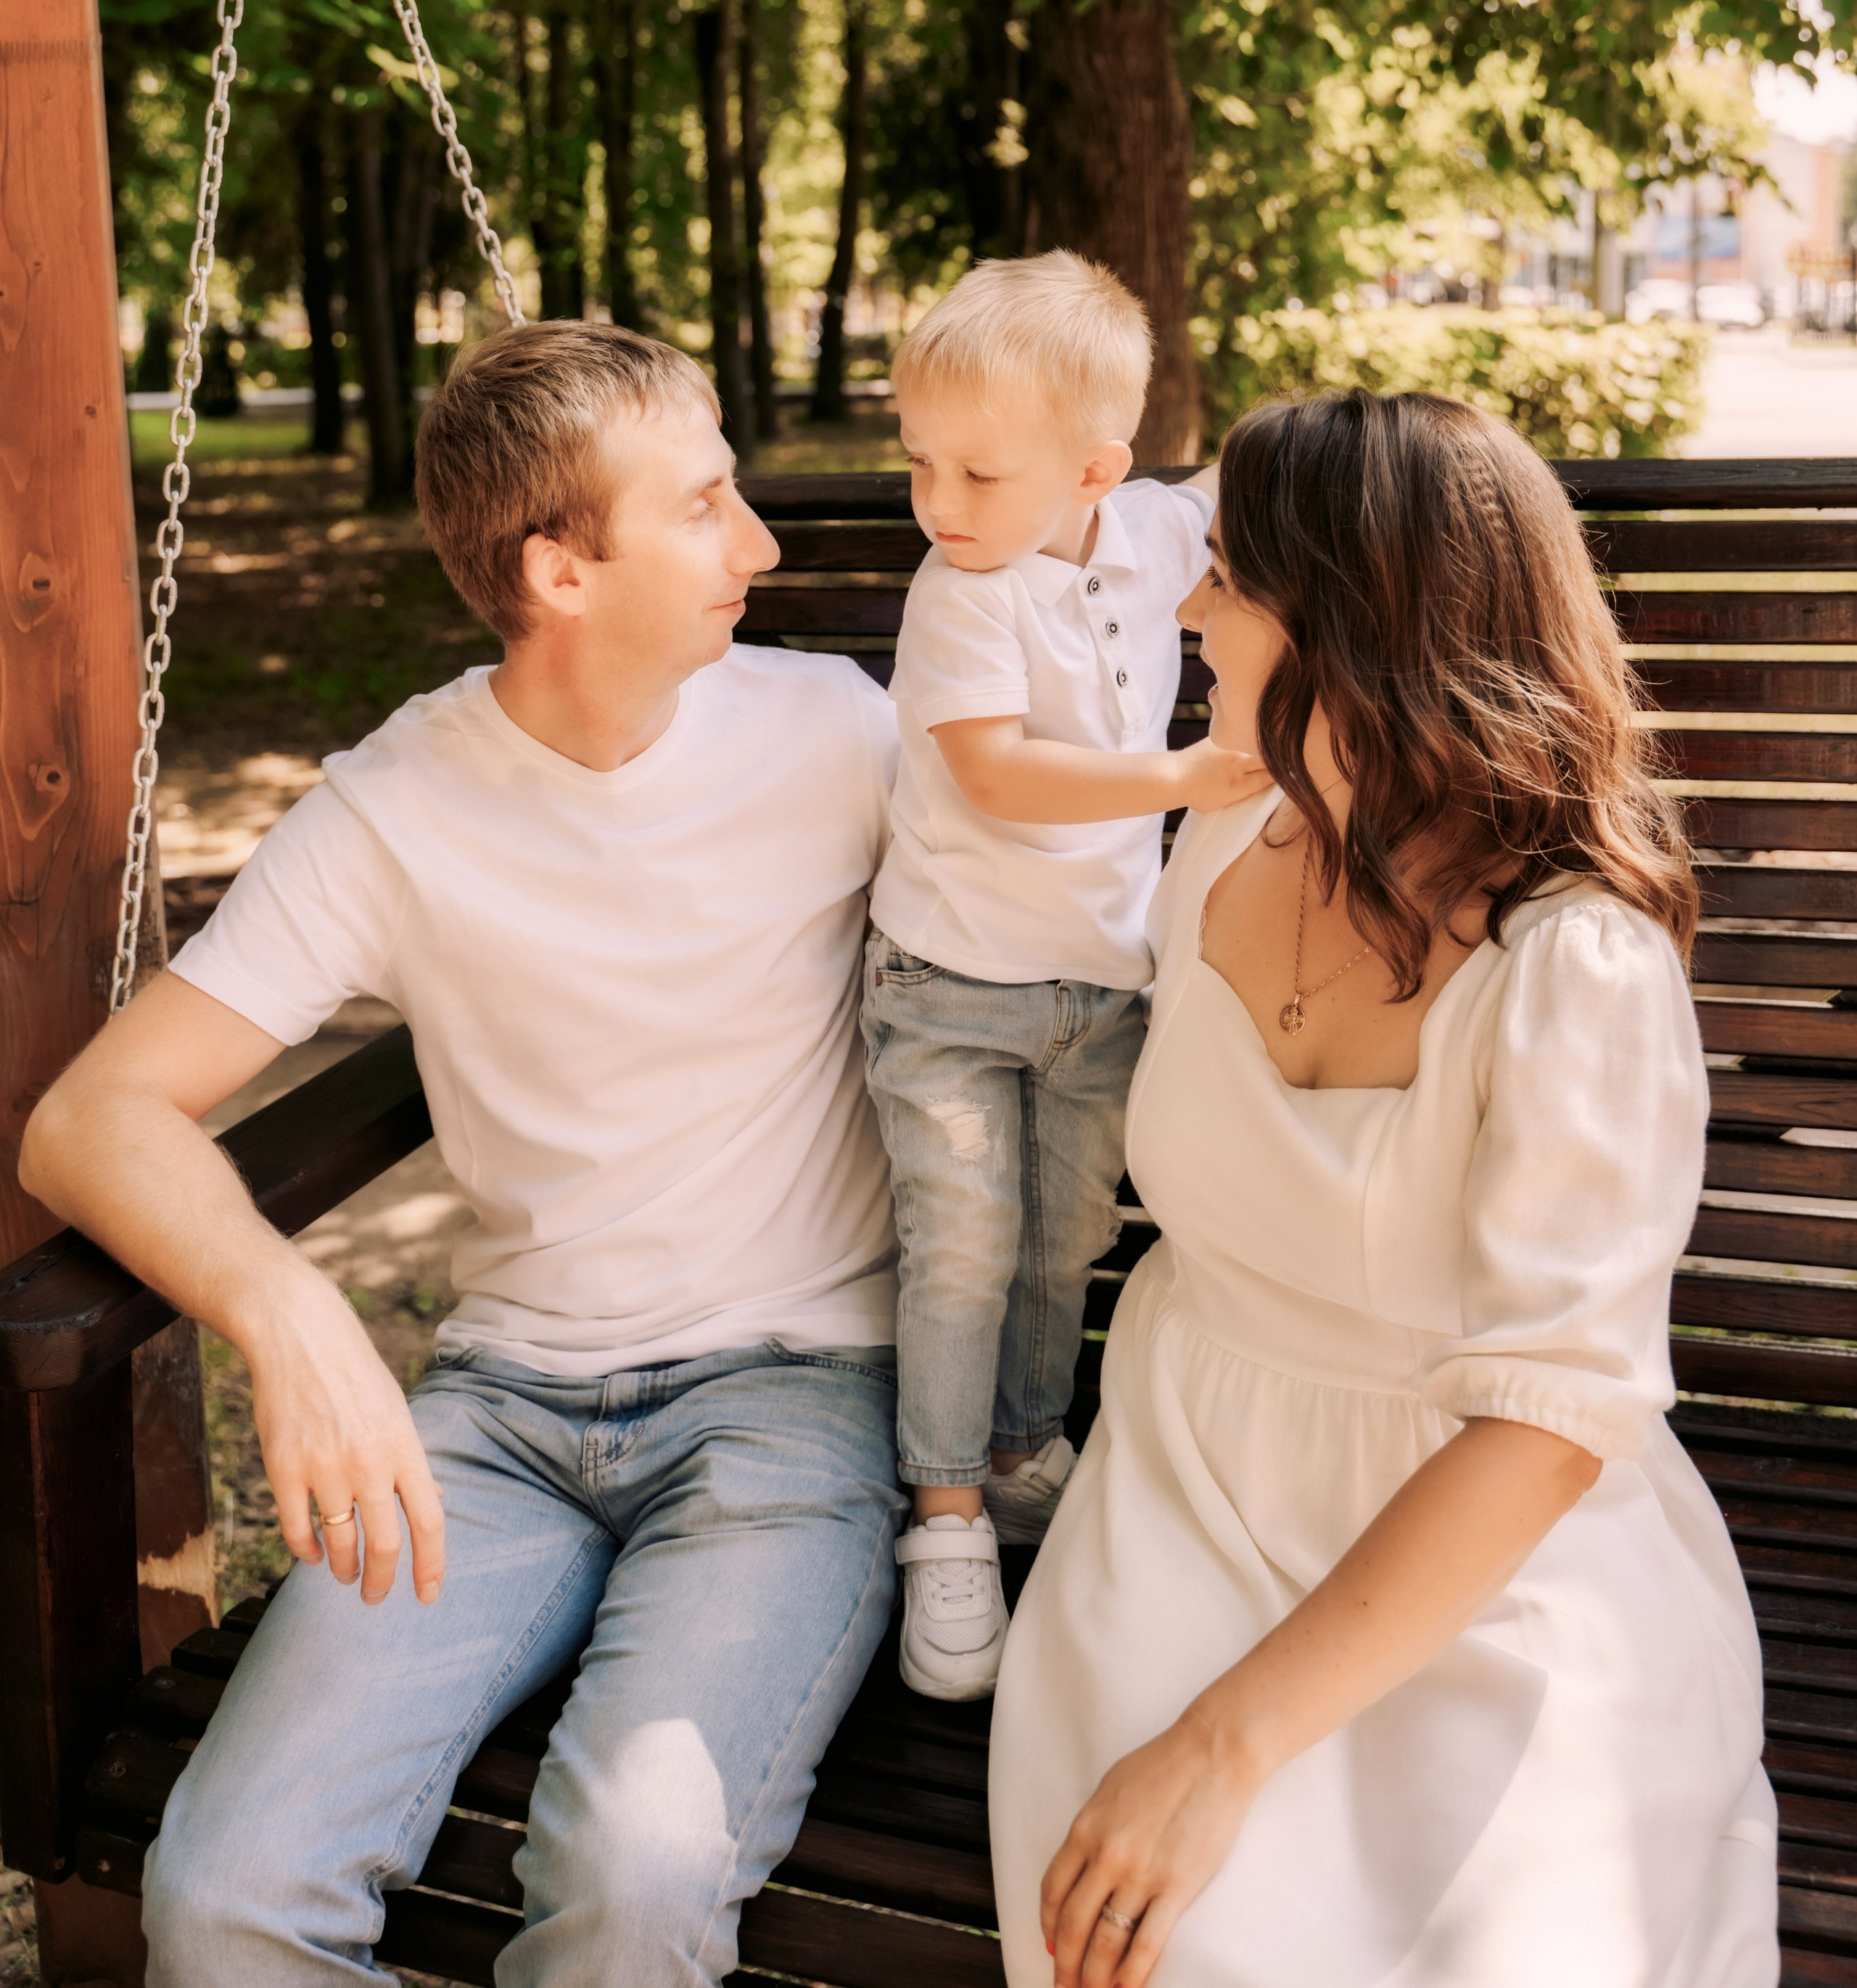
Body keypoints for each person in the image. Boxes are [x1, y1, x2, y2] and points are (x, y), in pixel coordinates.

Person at [20, 322, 905, 1988]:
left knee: (632, 1887)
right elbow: (93, 1122)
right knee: (221, 1902)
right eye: (706, 505)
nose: (760, 545)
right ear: (558, 571)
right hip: (495, 1427)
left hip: (788, 1408)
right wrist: (288, 1315)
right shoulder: (395, 806)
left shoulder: (836, 740)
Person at [989, 390, 1777, 1988]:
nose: (1191, 611)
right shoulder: (1218, 849)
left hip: (1488, 1545)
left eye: (1224, 574)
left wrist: (1222, 1747)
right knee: (1166, 1946)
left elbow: (1549, 1417)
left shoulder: (1577, 973)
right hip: (1186, 1493)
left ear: (1347, 625)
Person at [865, 255, 1260, 1702]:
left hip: (1099, 982)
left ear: (1094, 467)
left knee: (1066, 1235)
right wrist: (1179, 773)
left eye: (976, 469)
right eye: (916, 461)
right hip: (950, 987)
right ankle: (945, 1516)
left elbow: (1254, 497)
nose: (937, 502)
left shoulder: (1153, 529)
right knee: (962, 1241)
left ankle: (1026, 1449)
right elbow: (995, 770)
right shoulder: (960, 594)